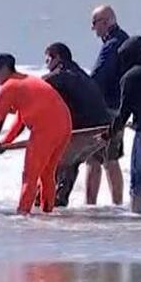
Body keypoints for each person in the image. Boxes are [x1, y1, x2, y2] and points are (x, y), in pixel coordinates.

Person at [0, 54, 72, 215]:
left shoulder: (8, 88)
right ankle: (47, 213)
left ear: (5, 69)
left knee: (30, 176)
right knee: (47, 173)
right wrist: (5, 143)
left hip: (46, 130)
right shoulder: (26, 81)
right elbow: (20, 120)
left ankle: (22, 216)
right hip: (65, 125)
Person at [41, 43, 112, 207]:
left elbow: (32, 89)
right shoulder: (79, 73)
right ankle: (60, 199)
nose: (46, 65)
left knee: (59, 162)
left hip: (87, 130)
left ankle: (54, 200)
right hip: (104, 128)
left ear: (56, 58)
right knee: (71, 162)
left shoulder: (62, 74)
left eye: (47, 60)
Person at [87, 4, 128, 205]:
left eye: (94, 23)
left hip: (107, 110)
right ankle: (110, 204)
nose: (93, 28)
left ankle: (101, 205)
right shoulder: (122, 40)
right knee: (102, 159)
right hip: (118, 107)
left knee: (102, 159)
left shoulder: (113, 43)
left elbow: (98, 76)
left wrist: (80, 90)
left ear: (106, 21)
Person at [108, 36, 141, 214]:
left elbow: (123, 112)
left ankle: (136, 218)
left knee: (139, 178)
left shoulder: (129, 77)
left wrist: (110, 133)